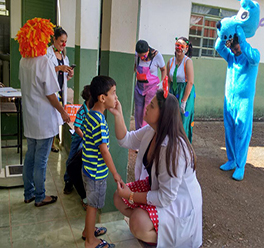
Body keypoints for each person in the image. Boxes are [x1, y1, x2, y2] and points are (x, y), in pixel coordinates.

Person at [110, 89, 202, 247]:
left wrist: (131, 195)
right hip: (159, 188)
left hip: (178, 202)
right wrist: (118, 115)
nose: (147, 106)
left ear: (163, 115)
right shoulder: (152, 130)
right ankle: (153, 226)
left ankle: (171, 239)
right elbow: (126, 140)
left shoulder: (172, 148)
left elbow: (166, 197)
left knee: (138, 221)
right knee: (119, 197)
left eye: (151, 106)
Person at [16, 18, 70, 207]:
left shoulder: (24, 61)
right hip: (44, 120)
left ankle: (28, 193)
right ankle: (40, 196)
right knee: (41, 160)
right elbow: (51, 94)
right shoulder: (44, 62)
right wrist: (63, 112)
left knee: (30, 156)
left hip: (30, 118)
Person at [215, 23, 260, 180]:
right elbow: (218, 47)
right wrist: (224, 34)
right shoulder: (231, 57)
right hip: (229, 100)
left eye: (236, 48)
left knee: (242, 132)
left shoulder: (252, 55)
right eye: (232, 49)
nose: (234, 51)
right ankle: (232, 160)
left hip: (244, 102)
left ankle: (240, 166)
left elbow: (254, 58)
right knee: (229, 130)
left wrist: (241, 37)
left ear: (242, 42)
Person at [81, 76, 121, 248]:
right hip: (96, 173)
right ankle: (91, 241)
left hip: (88, 169)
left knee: (92, 204)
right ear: (102, 98)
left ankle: (87, 231)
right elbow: (104, 151)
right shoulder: (100, 122)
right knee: (93, 206)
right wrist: (115, 173)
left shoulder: (91, 115)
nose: (116, 97)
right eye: (113, 93)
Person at [46, 26, 74, 153]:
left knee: (56, 118)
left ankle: (52, 143)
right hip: (50, 91)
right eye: (61, 41)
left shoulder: (64, 56)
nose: (64, 44)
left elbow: (63, 78)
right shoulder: (47, 54)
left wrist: (69, 74)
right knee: (50, 117)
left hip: (60, 91)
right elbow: (45, 72)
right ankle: (48, 143)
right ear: (54, 39)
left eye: (65, 42)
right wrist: (59, 68)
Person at [63, 85, 91, 199]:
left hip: (87, 137)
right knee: (71, 159)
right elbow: (77, 127)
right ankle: (68, 181)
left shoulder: (94, 109)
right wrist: (84, 137)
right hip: (79, 137)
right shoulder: (82, 111)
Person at [167, 37, 195, 143]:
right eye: (177, 45)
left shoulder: (188, 62)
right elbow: (168, 80)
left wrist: (184, 101)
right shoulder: (170, 61)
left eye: (182, 46)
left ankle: (184, 147)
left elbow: (190, 82)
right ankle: (172, 144)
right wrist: (166, 93)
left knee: (183, 121)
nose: (179, 48)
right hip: (173, 92)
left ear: (186, 49)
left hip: (185, 92)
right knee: (171, 119)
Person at [134, 40, 166, 130]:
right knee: (138, 111)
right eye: (140, 56)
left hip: (152, 88)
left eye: (144, 55)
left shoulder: (157, 56)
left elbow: (163, 69)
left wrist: (162, 83)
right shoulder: (137, 56)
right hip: (139, 88)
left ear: (148, 50)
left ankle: (146, 132)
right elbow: (135, 67)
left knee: (147, 111)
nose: (142, 58)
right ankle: (138, 131)